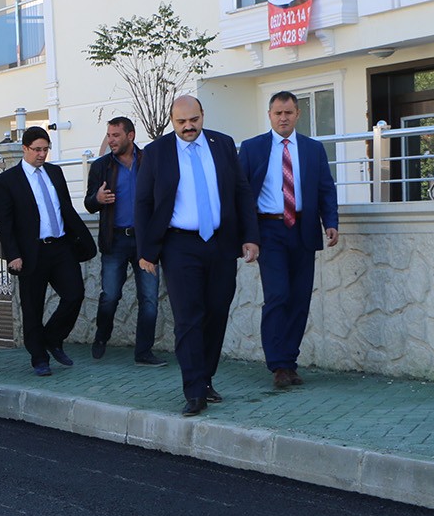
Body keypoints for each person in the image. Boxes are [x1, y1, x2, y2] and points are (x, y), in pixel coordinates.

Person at [136, 96, 259, 416]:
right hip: (179, 246)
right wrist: (146, 251)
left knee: (217, 312)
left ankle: (205, 378)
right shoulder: (156, 153)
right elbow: (143, 204)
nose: (188, 127)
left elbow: (241, 192)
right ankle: (193, 390)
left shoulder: (222, 144)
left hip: (220, 242)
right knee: (188, 317)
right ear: (172, 121)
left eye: (194, 120)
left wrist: (250, 237)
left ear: (202, 115)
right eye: (181, 122)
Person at [239, 91, 340, 389]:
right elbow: (241, 195)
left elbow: (326, 188)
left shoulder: (312, 149)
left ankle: (290, 362)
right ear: (269, 115)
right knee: (278, 295)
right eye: (277, 113)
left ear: (297, 114)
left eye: (288, 113)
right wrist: (247, 236)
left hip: (303, 228)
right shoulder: (253, 148)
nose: (283, 118)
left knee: (299, 299)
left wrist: (330, 222)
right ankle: (278, 365)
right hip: (268, 230)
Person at [0, 125, 94, 377]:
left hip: (60, 247)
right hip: (30, 252)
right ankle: (39, 358)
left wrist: (81, 238)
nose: (41, 154)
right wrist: (12, 254)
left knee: (75, 294)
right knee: (32, 306)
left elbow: (66, 209)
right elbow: (5, 223)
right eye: (37, 149)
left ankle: (52, 338)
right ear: (25, 149)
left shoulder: (55, 173)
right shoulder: (7, 181)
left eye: (45, 149)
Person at [83, 116, 163, 366]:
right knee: (110, 295)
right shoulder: (101, 167)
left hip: (144, 241)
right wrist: (97, 199)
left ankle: (143, 352)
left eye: (115, 135)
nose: (111, 140)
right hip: (115, 240)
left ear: (130, 135)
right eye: (109, 135)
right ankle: (101, 336)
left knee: (149, 298)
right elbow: (88, 203)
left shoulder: (149, 161)